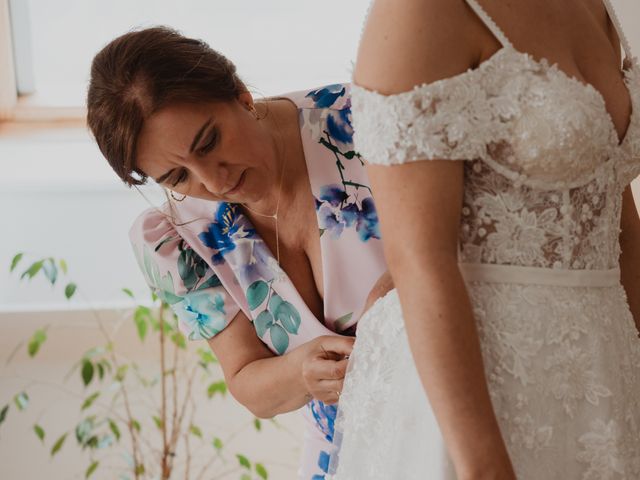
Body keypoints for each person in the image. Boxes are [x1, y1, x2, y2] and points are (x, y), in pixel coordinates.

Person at [330, 0, 640, 479]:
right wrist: (483, 466)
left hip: (606, 375)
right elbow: (420, 259)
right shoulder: (421, 11)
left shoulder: (594, 6)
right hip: (480, 391)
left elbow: (619, 225)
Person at [86, 27, 391, 480]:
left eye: (209, 143)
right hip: (343, 456)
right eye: (175, 176)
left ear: (242, 96)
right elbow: (249, 382)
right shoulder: (174, 238)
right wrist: (300, 373)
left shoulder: (362, 122)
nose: (211, 181)